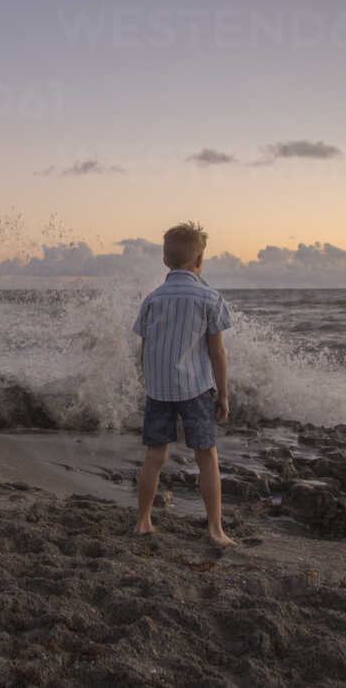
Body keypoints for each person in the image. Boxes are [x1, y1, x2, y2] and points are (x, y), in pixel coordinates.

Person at [132, 221, 236, 547]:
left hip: (159, 390)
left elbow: (144, 348)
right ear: (200, 260)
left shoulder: (153, 299)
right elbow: (216, 352)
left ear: (165, 260)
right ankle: (216, 529)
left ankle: (144, 520)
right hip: (196, 389)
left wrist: (149, 382)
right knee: (206, 456)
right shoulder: (209, 297)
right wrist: (224, 394)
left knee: (154, 456)